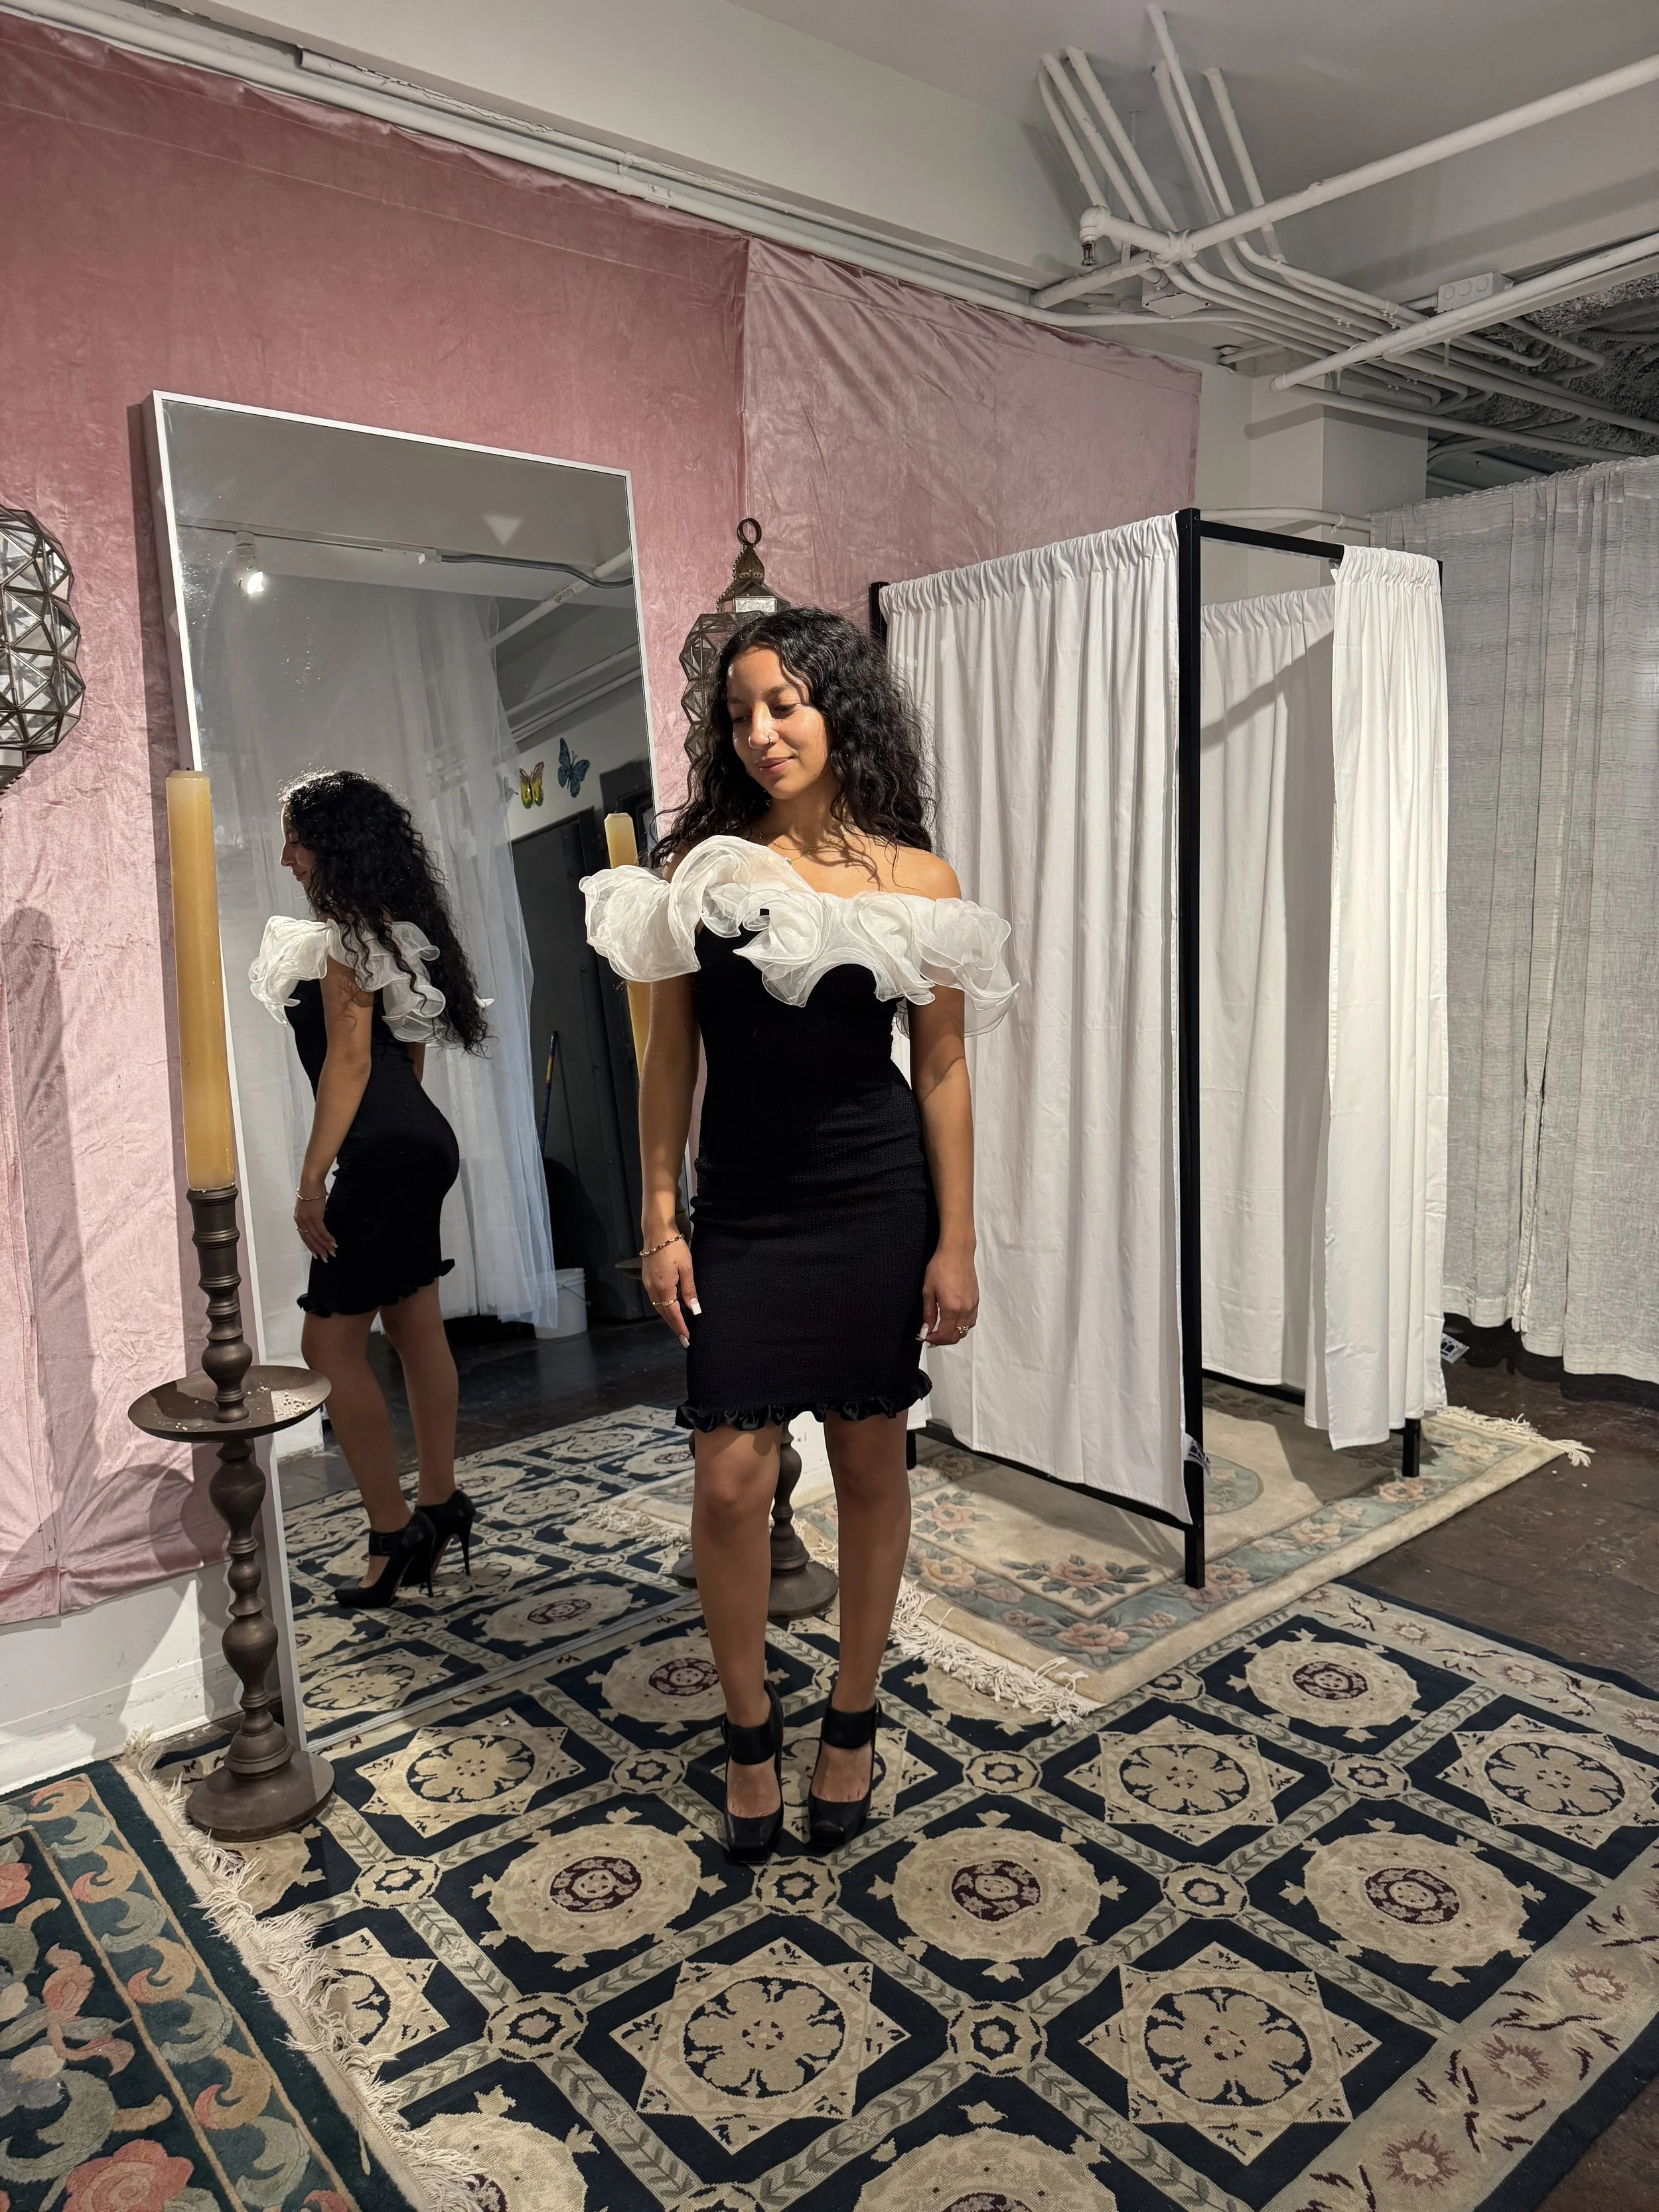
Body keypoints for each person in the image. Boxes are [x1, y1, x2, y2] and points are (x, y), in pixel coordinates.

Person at [584, 608, 1013, 1859]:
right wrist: (662, 1216)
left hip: (877, 1197)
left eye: (787, 703)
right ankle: (748, 1724)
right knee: (728, 1479)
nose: (763, 731)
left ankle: (854, 1714)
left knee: (873, 1464)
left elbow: (941, 1067)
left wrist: (960, 1241)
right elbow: (670, 1061)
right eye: (740, 713)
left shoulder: (916, 880)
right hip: (751, 1208)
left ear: (843, 713)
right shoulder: (702, 872)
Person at [250, 769, 488, 1609]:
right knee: (413, 1321)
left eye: (295, 837)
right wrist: (389, 1142)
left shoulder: (345, 936)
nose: (285, 855)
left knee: (327, 1348)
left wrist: (314, 1181)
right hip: (420, 1142)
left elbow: (349, 1063)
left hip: (386, 1149)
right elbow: (409, 1056)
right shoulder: (391, 931)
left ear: (332, 844)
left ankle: (393, 1533)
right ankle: (439, 1499)